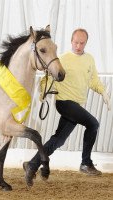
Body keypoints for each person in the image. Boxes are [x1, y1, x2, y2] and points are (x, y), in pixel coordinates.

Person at [27, 28, 111, 176]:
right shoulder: (63, 59)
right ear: (71, 41)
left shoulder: (89, 59)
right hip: (65, 103)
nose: (78, 46)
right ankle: (86, 163)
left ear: (86, 43)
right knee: (93, 124)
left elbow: (93, 80)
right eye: (76, 42)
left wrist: (103, 92)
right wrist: (43, 92)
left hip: (75, 106)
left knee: (58, 140)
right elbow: (47, 78)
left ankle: (32, 164)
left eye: (82, 43)